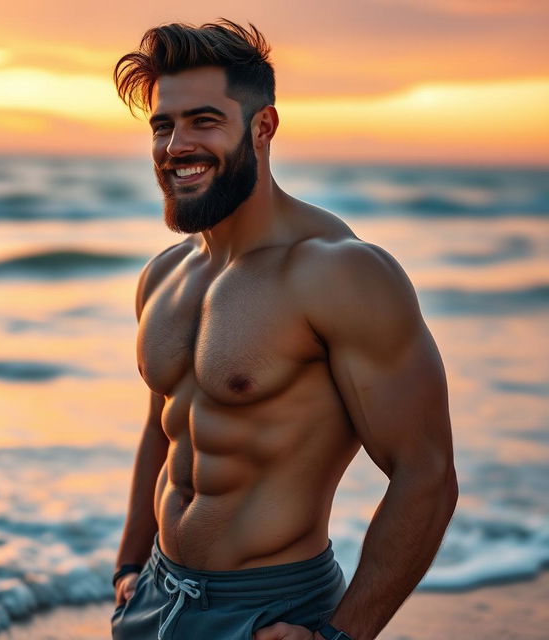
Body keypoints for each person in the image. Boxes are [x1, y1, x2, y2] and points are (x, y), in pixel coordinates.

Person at [110, 19, 458, 640]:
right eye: (164, 125)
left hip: (270, 611)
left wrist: (339, 634)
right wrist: (130, 564)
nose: (175, 146)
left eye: (204, 121)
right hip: (153, 599)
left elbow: (426, 473)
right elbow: (162, 429)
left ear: (263, 127)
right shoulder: (163, 275)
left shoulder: (340, 272)